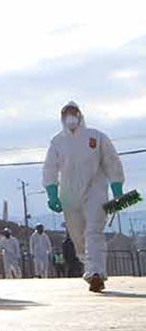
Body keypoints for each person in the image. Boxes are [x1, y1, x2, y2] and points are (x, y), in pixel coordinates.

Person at [43, 101, 125, 292]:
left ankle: (96, 273)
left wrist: (117, 187)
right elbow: (50, 168)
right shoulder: (57, 142)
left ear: (80, 115)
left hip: (95, 190)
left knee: (93, 231)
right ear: (62, 118)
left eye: (74, 113)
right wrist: (52, 193)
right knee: (78, 236)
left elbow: (112, 161)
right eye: (67, 114)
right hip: (69, 195)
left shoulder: (96, 137)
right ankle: (89, 267)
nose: (71, 117)